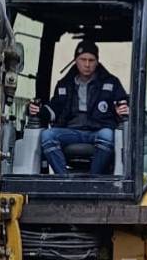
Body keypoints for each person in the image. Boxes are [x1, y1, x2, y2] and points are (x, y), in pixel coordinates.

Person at [29, 41, 130, 175]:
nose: (87, 64)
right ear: (75, 60)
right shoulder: (64, 84)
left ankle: (93, 180)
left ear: (97, 62)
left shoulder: (111, 82)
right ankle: (64, 180)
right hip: (71, 132)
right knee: (47, 135)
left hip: (98, 130)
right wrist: (39, 111)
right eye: (83, 59)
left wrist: (123, 110)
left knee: (107, 135)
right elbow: (54, 108)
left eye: (91, 60)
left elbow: (123, 104)